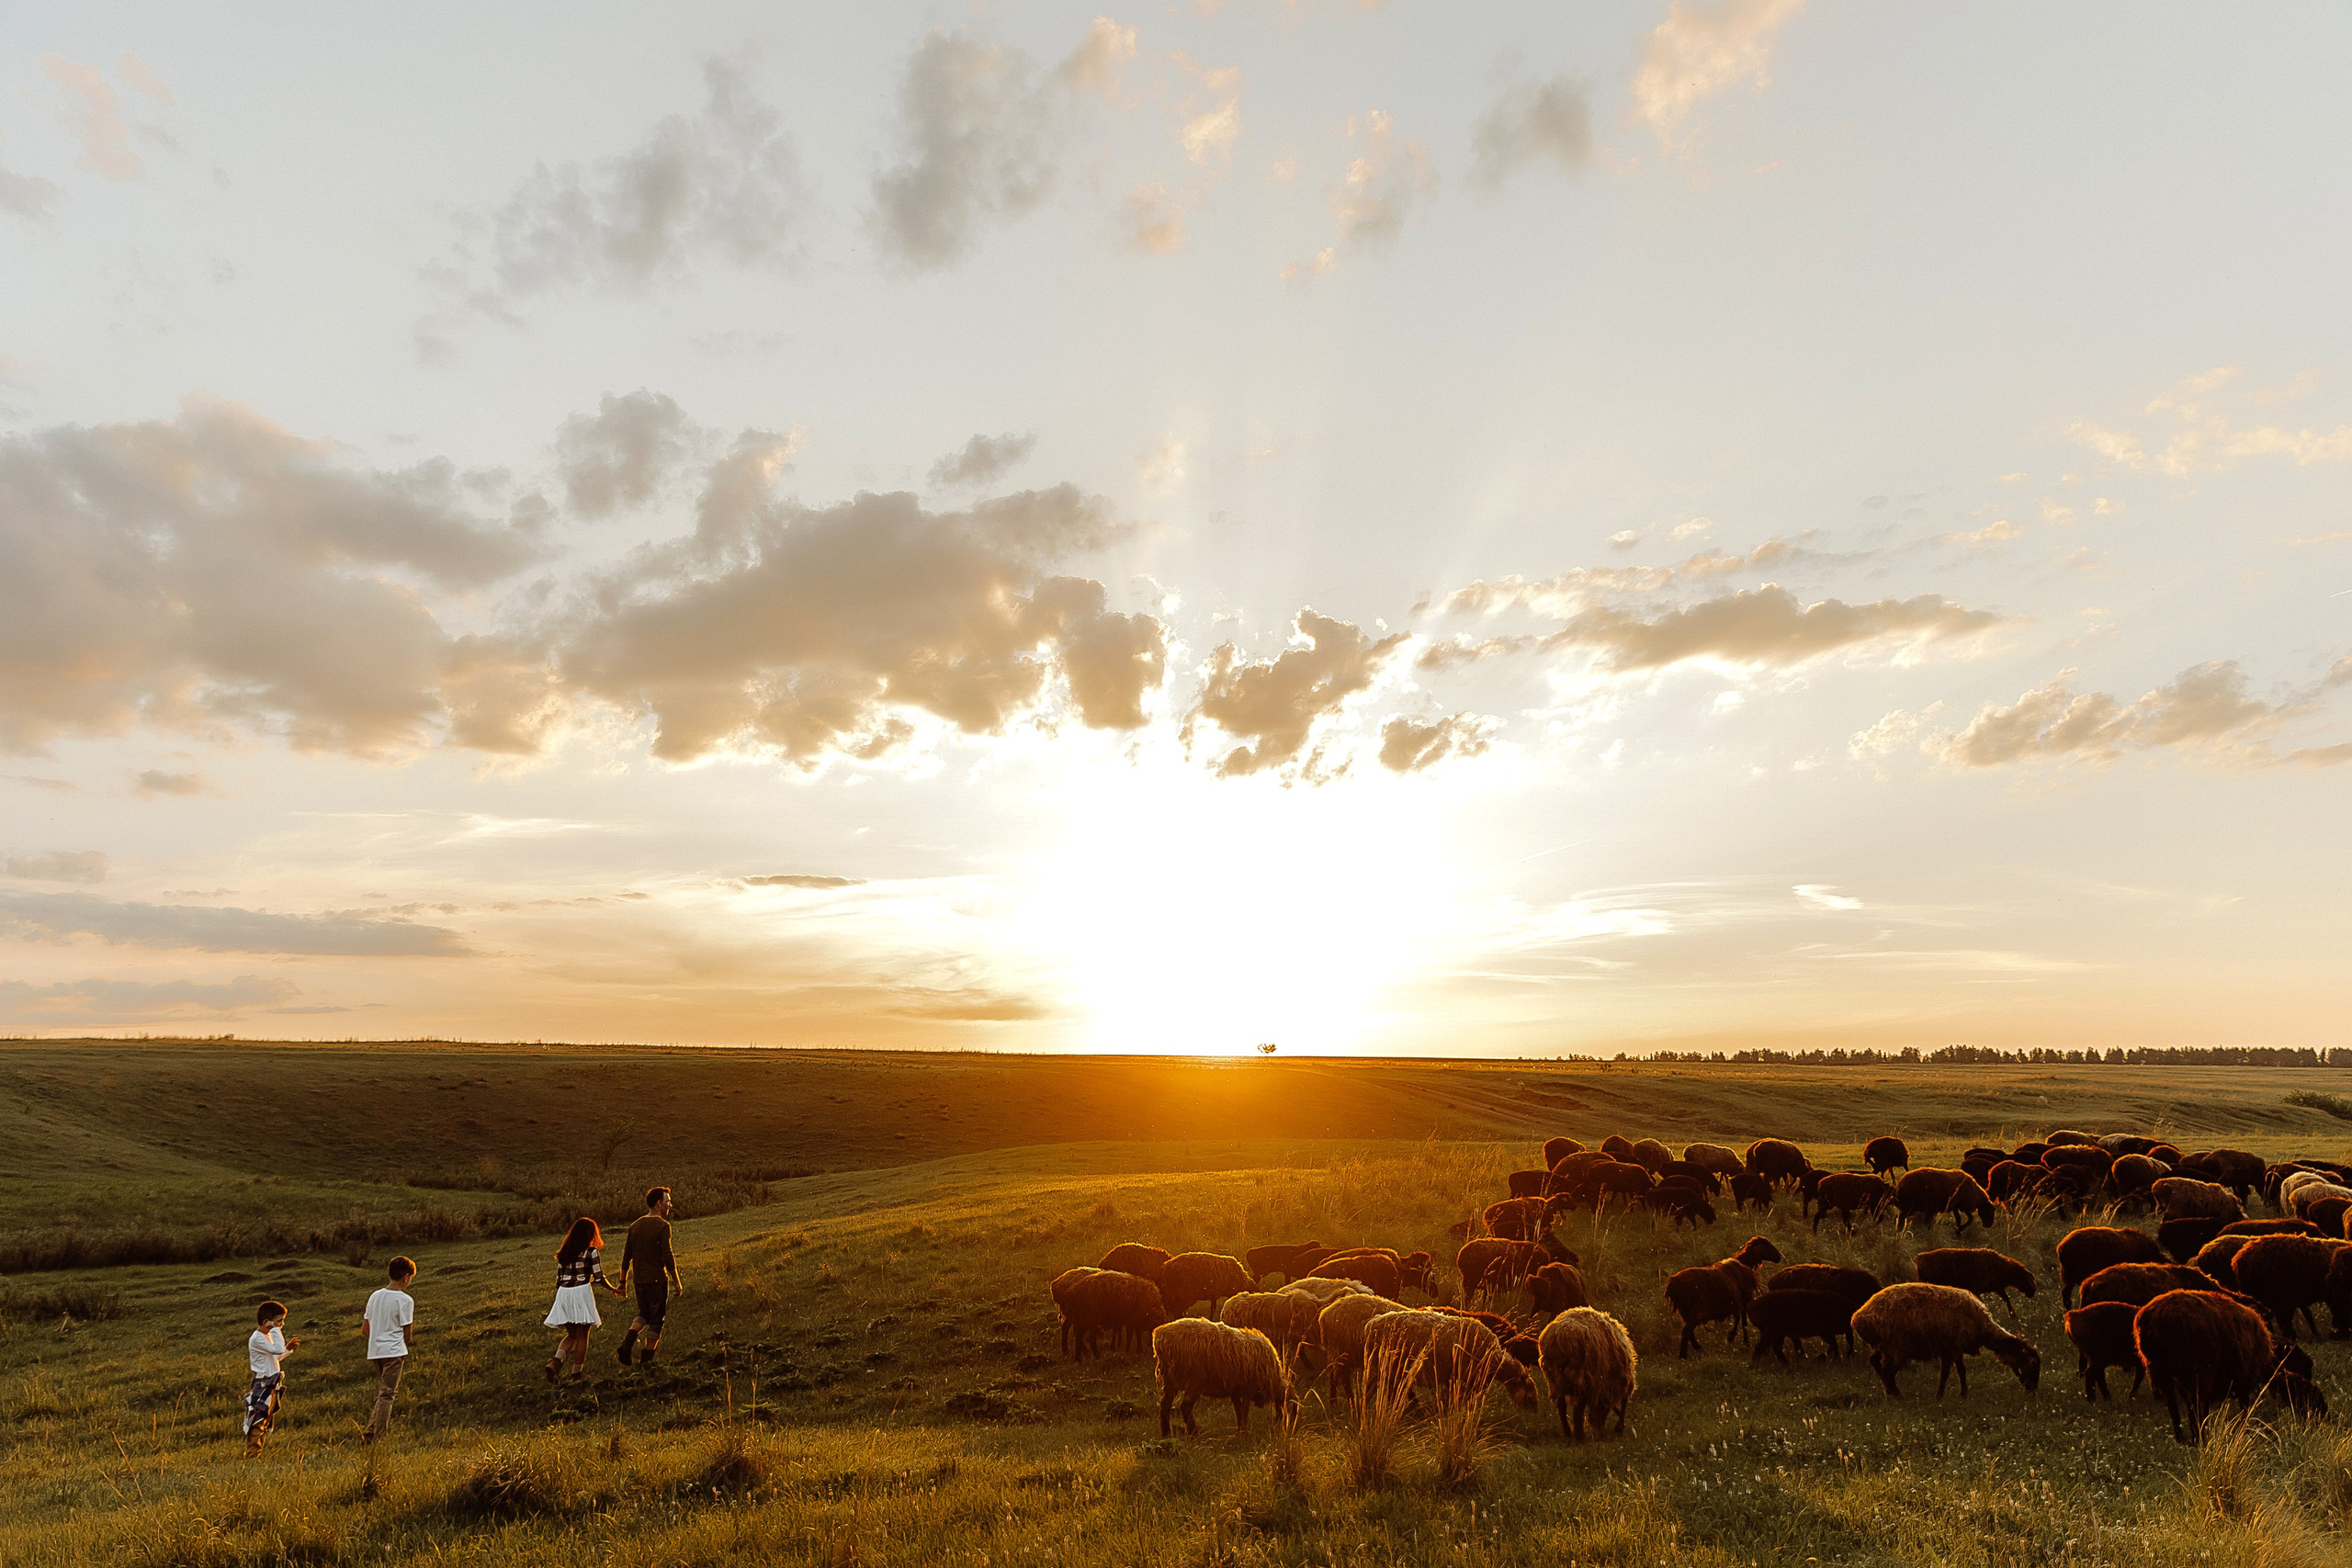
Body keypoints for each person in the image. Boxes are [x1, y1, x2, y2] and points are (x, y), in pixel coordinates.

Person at [542, 1216, 618, 1382]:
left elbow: (559, 1280)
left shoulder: (564, 1252)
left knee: (572, 1334)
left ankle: (555, 1363)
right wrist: (613, 1288)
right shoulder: (591, 1252)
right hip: (580, 1291)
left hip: (563, 1293)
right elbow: (599, 1277)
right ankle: (577, 1374)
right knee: (583, 1335)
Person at [615, 1186, 684, 1368]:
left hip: (639, 1281)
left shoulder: (635, 1226)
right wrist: (677, 1281)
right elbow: (668, 1255)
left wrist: (623, 1282)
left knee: (643, 1314)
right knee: (657, 1320)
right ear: (659, 1203)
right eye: (667, 1202)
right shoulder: (663, 1226)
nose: (670, 1205)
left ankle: (626, 1346)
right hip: (657, 1280)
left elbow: (626, 1257)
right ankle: (647, 1360)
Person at [360, 1256, 415, 1444]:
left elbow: (365, 1329)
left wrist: (378, 1339)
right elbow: (407, 1333)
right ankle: (378, 1437)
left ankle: (370, 1431)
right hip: (394, 1352)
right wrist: (399, 1345)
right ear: (406, 1277)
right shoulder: (405, 1300)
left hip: (375, 1351)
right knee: (387, 1395)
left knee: (383, 1392)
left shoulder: (375, 1296)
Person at [243, 1299, 299, 1456]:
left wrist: (288, 1349)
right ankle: (253, 1453)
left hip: (272, 1383)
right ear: (266, 1322)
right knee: (258, 1419)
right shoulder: (257, 1338)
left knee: (266, 1419)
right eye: (279, 1321)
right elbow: (276, 1349)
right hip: (263, 1383)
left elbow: (276, 1357)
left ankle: (257, 1451)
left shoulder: (266, 1336)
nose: (282, 1325)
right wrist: (275, 1330)